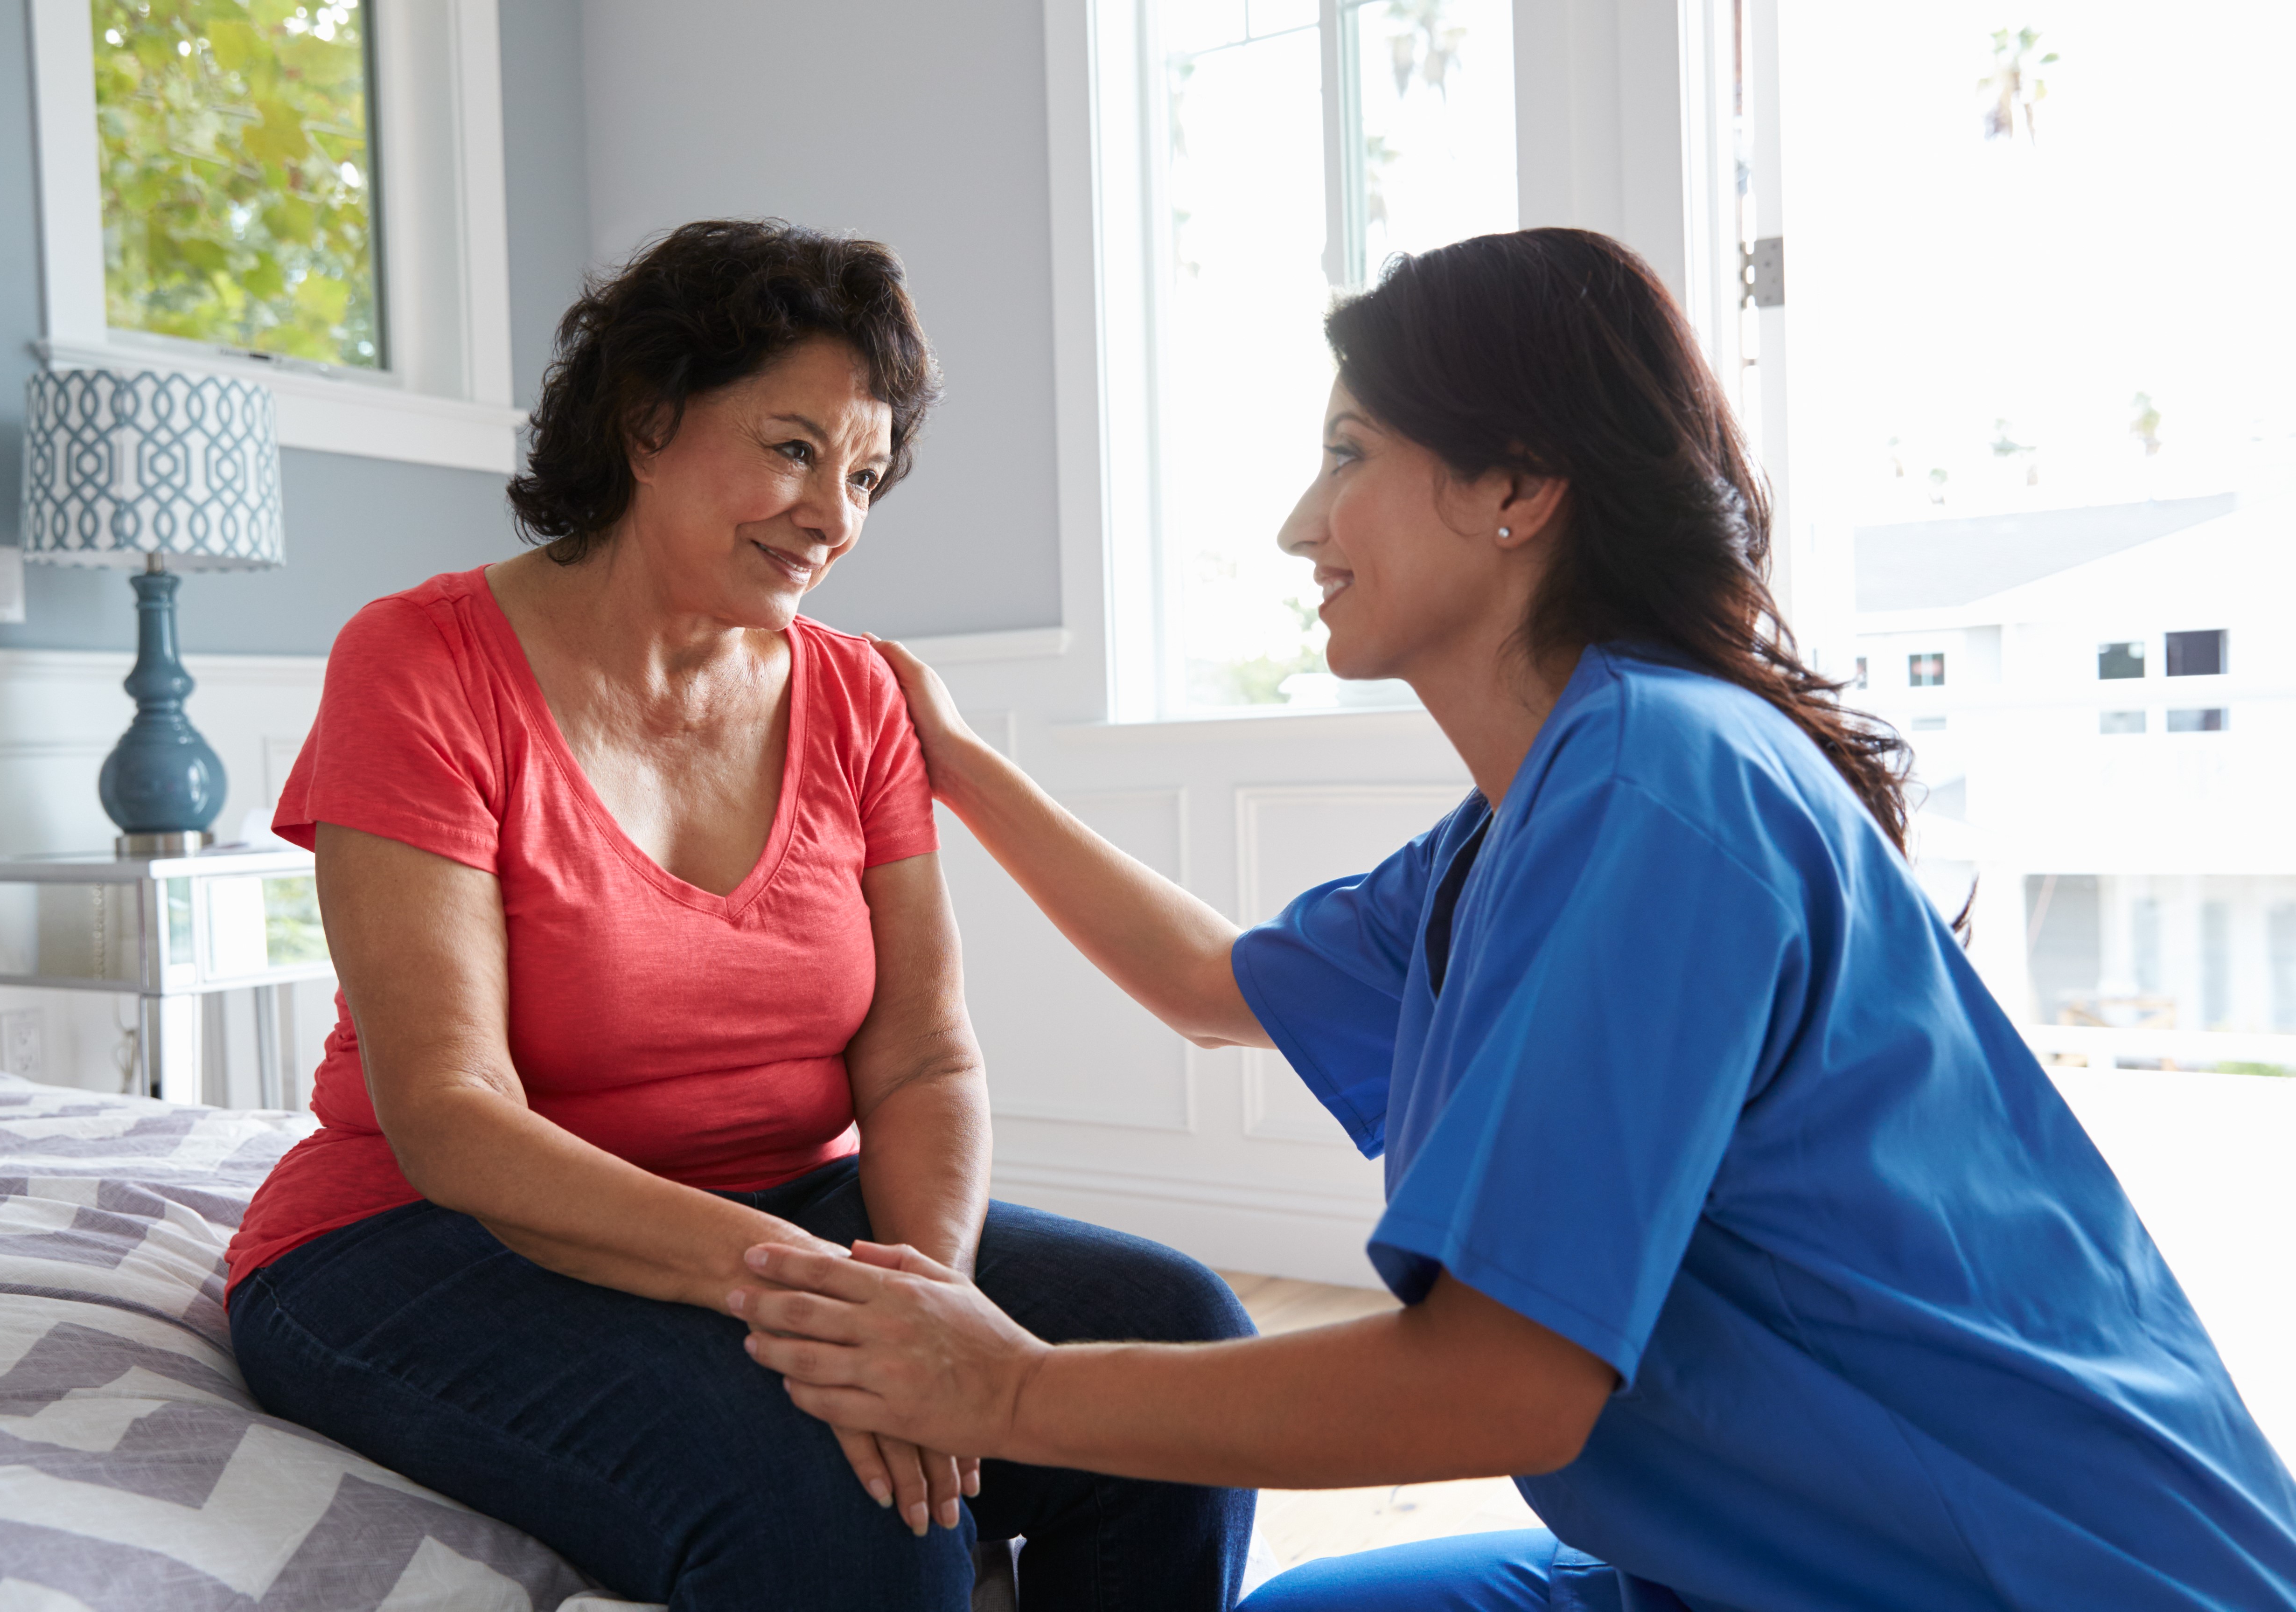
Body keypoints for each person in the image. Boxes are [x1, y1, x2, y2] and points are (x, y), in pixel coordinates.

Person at [729, 228, 2296, 1610]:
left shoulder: (1661, 790)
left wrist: (1010, 1394)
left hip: (2028, 1572)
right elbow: (1209, 983)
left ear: (1522, 486)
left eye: (1348, 453)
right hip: (1734, 1555)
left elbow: (1499, 1388)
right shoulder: (1534, 813)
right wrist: (960, 762)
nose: (1298, 523)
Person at [223, 219, 1254, 1612]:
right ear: (648, 422)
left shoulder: (854, 693)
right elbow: (452, 1110)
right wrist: (829, 1309)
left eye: (869, 474)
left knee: (1182, 1348)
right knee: (839, 1498)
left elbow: (920, 1058)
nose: (835, 516)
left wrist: (922, 1301)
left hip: (786, 1208)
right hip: (423, 1239)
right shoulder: (420, 663)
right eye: (792, 448)